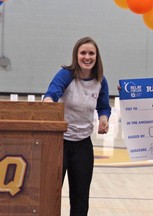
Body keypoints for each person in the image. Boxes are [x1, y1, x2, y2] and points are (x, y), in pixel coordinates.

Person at [43, 36, 111, 216]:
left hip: (83, 145)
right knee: (50, 194)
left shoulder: (100, 81)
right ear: (76, 55)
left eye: (91, 53)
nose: (87, 57)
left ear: (97, 57)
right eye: (83, 53)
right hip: (59, 143)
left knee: (80, 198)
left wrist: (104, 119)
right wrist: (49, 103)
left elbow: (104, 106)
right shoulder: (66, 75)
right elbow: (52, 93)